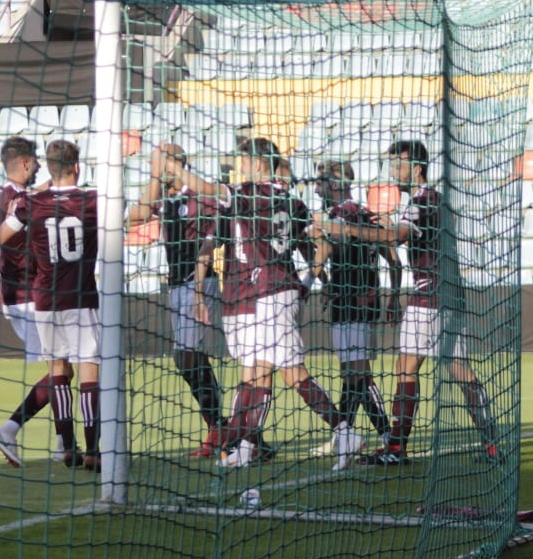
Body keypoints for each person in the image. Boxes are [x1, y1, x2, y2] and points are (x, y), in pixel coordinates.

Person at [313, 139, 499, 465]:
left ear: (416, 168)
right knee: (459, 370)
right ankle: (492, 442)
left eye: (397, 165)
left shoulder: (418, 202)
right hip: (450, 296)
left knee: (405, 370)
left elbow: (394, 237)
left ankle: (396, 447)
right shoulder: (434, 200)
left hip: (428, 296)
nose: (392, 171)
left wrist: (349, 230)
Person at [194, 137, 364, 471]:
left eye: (242, 161)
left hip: (264, 292)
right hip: (272, 291)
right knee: (257, 372)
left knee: (287, 372)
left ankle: (344, 432)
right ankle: (244, 445)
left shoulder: (248, 195)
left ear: (258, 164)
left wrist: (171, 170)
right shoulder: (291, 201)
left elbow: (204, 189)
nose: (238, 167)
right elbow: (312, 244)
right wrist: (310, 282)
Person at [0, 139, 102, 472]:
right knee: (89, 372)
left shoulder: (29, 203)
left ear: (50, 170)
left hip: (43, 299)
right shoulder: (95, 200)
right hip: (82, 297)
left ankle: (67, 446)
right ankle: (94, 449)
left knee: (57, 370)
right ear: (78, 167)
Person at [126, 142, 227, 457]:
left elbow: (210, 245)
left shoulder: (199, 195)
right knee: (189, 358)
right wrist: (155, 177)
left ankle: (220, 430)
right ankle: (222, 428)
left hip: (199, 283)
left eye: (163, 161)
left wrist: (197, 291)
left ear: (178, 163)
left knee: (188, 356)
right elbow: (136, 215)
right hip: (177, 286)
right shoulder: (167, 199)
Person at [306, 159, 401, 457]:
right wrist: (394, 296)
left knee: (358, 373)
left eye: (321, 180)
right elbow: (394, 262)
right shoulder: (365, 214)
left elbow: (319, 252)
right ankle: (344, 434)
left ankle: (386, 434)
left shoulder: (340, 215)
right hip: (355, 301)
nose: (317, 186)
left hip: (354, 302)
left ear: (336, 183)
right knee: (350, 373)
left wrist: (320, 281)